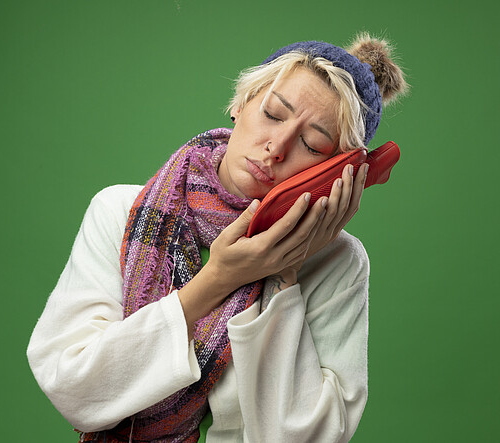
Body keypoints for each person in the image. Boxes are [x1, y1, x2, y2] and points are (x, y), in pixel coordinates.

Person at [27, 33, 408, 442]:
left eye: (312, 144)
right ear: (240, 103)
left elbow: (306, 437)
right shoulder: (119, 212)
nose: (276, 147)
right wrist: (219, 279)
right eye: (274, 114)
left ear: (335, 171)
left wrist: (284, 275)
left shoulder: (340, 263)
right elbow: (75, 391)